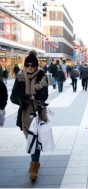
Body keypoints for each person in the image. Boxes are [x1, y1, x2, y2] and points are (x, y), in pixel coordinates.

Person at [10, 50, 49, 181]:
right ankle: (36, 162)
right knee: (30, 138)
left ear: (37, 66)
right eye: (28, 65)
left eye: (33, 65)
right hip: (25, 114)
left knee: (35, 139)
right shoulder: (20, 77)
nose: (30, 67)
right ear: (25, 65)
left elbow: (44, 95)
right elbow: (14, 96)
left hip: (38, 112)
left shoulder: (42, 76)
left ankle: (33, 168)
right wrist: (28, 98)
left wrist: (36, 99)